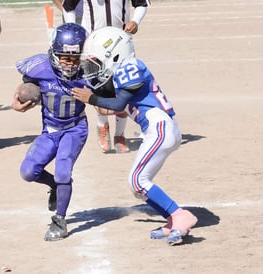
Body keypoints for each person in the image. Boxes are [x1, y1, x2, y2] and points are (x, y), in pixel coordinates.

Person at [72, 27, 198, 245]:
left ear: (114, 55)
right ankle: (172, 219)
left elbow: (119, 103)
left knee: (137, 180)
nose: (92, 68)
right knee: (137, 184)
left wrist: (92, 99)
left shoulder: (131, 66)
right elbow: (113, 101)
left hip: (160, 128)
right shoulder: (121, 72)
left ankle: (180, 215)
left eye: (95, 62)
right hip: (156, 130)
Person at [12, 23, 89, 241]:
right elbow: (23, 89)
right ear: (54, 54)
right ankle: (54, 186)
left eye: (75, 58)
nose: (70, 63)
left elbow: (104, 98)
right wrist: (17, 101)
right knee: (28, 172)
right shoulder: (40, 68)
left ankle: (60, 220)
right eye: (65, 57)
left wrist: (102, 102)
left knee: (64, 171)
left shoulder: (89, 71)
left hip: (75, 128)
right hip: (50, 130)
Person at [63, 0, 150, 154]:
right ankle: (102, 125)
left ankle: (120, 135)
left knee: (123, 88)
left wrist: (136, 21)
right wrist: (76, 29)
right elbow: (68, 7)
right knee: (99, 87)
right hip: (94, 45)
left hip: (121, 43)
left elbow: (142, 3)